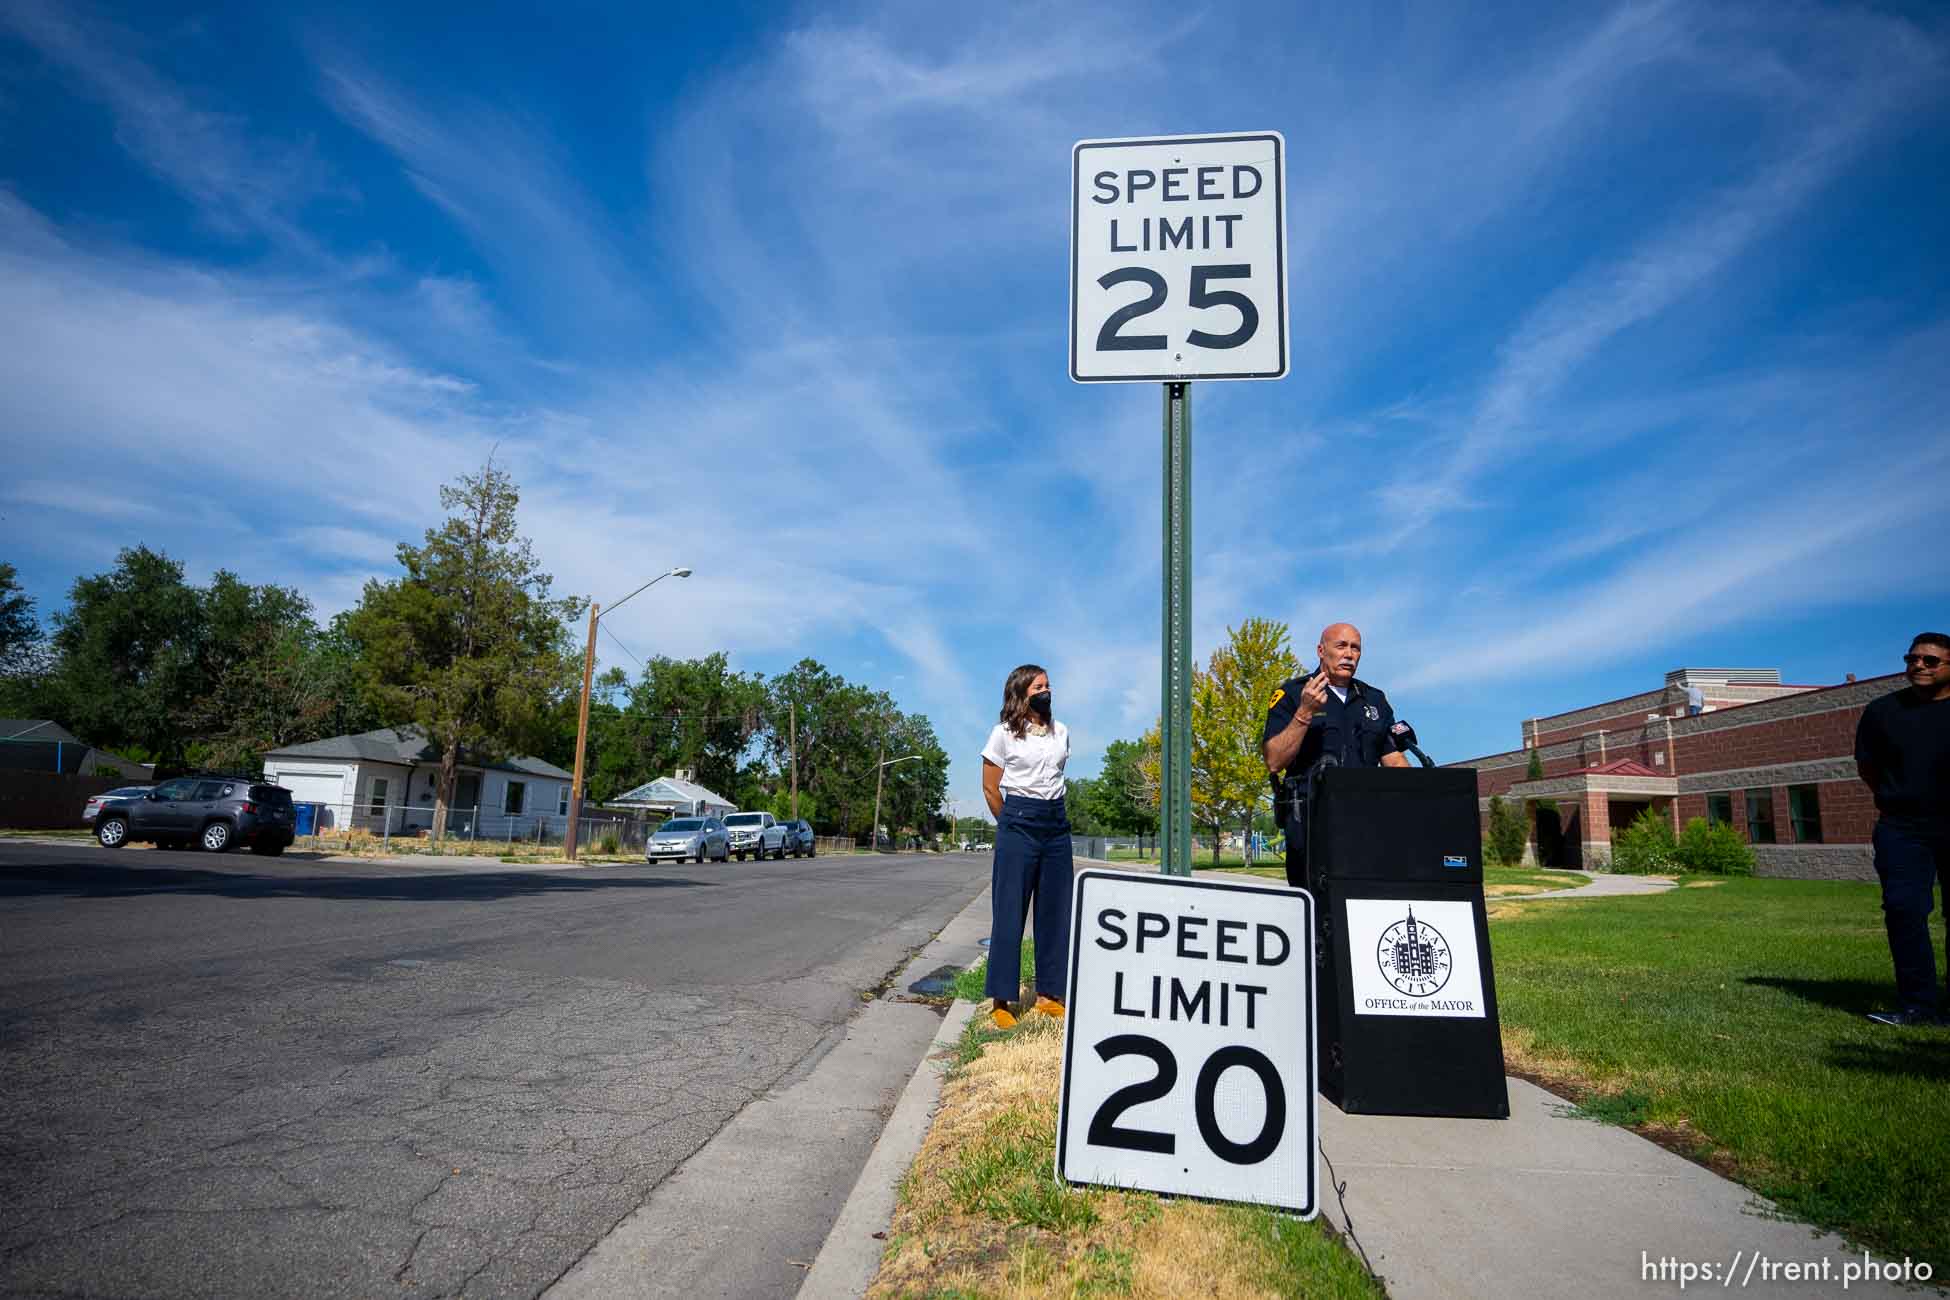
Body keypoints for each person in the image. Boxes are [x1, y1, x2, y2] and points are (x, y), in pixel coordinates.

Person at [1263, 623, 1409, 888]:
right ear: (1321, 650)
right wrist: (1304, 712)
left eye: (1355, 648)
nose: (1349, 654)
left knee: (1365, 903)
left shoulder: (1374, 699)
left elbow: (1393, 759)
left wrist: (1419, 800)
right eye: (1341, 646)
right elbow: (1274, 760)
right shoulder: (1293, 694)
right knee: (1316, 912)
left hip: (1365, 821)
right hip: (1310, 822)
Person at [1853, 632, 1950, 1027]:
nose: (1919, 666)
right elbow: (1867, 767)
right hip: (1903, 827)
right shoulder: (1883, 711)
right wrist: (1897, 798)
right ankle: (1919, 1005)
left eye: (1930, 661)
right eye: (1913, 659)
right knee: (1904, 910)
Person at [980, 664, 1073, 1029]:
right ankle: (1002, 1000)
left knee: (1055, 913)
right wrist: (1011, 823)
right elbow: (990, 788)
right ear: (1023, 693)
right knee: (1009, 913)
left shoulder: (1061, 732)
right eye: (1039, 686)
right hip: (1019, 819)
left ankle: (1050, 995)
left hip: (1056, 824)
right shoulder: (1003, 735)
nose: (1047, 691)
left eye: (1049, 685)